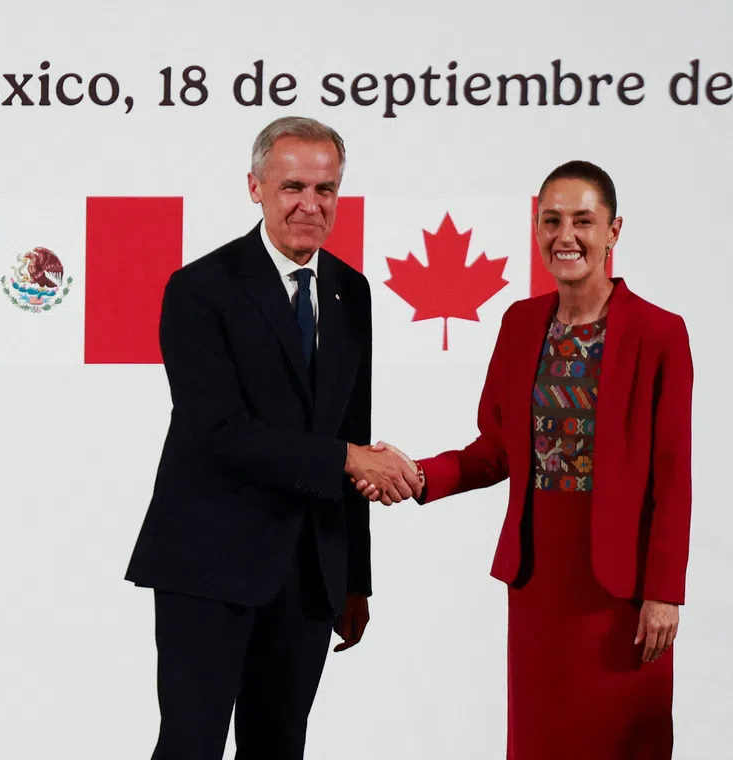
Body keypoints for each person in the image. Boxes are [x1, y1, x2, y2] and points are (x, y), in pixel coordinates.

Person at [356, 160, 694, 759]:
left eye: (583, 221)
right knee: (541, 743)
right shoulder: (519, 323)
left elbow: (672, 475)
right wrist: (420, 476)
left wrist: (665, 591)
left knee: (623, 742)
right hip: (540, 581)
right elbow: (497, 449)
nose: (567, 236)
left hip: (623, 591)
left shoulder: (660, 333)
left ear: (614, 231)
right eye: (552, 220)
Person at [124, 115, 422, 760]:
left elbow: (352, 428)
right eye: (293, 187)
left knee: (280, 746)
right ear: (255, 187)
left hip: (309, 570)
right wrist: (348, 457)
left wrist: (353, 579)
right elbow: (219, 434)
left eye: (326, 190)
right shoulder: (200, 289)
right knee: (190, 745)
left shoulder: (351, 291)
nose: (310, 205)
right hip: (208, 562)